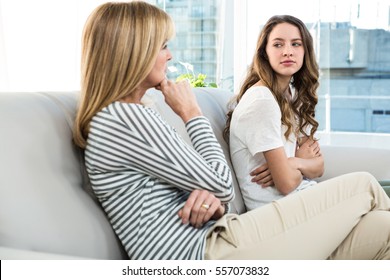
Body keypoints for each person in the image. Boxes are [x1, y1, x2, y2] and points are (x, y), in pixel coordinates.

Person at [73, 2, 390, 260]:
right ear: (132, 53)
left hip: (220, 234)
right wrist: (192, 113)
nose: (169, 55)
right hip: (209, 254)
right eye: (162, 46)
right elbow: (222, 183)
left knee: (384, 229)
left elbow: (212, 189)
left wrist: (211, 199)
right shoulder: (123, 119)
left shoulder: (141, 111)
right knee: (363, 184)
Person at [224, 15, 324, 210]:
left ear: (305, 52)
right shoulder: (262, 99)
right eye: (278, 45)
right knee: (367, 185)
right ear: (264, 53)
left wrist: (292, 162)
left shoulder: (290, 96)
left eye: (296, 44)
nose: (288, 52)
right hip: (280, 212)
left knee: (379, 215)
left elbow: (319, 166)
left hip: (303, 199)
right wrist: (298, 164)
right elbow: (285, 183)